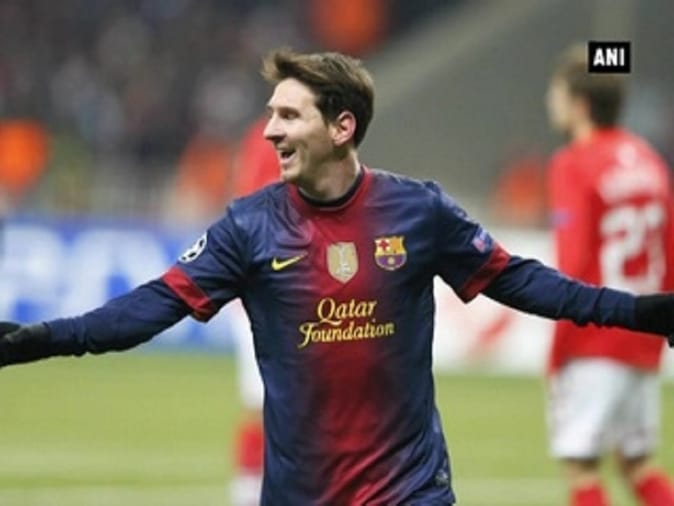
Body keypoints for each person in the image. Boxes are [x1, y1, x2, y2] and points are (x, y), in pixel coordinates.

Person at [1, 48, 674, 505]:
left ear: (342, 126)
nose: (269, 132)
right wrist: (39, 340)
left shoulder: (419, 211)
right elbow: (150, 307)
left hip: (412, 490)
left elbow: (521, 280)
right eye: (271, 114)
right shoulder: (248, 227)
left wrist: (638, 312)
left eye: (288, 115)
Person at [545, 45, 674, 506]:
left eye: (557, 92)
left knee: (581, 466)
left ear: (579, 104)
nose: (551, 101)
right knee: (636, 463)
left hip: (596, 333)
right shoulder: (649, 160)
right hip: (645, 333)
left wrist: (558, 348)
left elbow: (574, 262)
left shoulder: (574, 162)